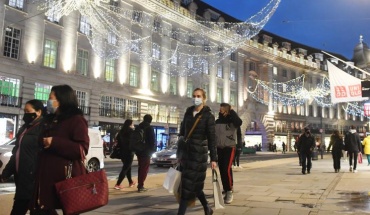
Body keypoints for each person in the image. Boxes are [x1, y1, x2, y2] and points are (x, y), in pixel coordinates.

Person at [30, 84, 89, 214]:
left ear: (62, 100)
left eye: (51, 98)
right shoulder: (50, 119)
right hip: (45, 175)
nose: (48, 101)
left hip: (66, 177)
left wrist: (55, 142)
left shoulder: (77, 120)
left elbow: (82, 149)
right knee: (43, 208)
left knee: (70, 208)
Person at [177, 88, 217, 215]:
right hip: (186, 153)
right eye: (194, 95)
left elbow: (212, 138)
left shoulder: (208, 116)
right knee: (193, 184)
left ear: (204, 98)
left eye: (198, 96)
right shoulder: (188, 112)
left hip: (199, 154)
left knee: (187, 186)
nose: (196, 98)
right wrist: (179, 153)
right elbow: (182, 134)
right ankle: (207, 207)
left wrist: (214, 158)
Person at [1, 99, 45, 215]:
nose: (26, 114)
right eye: (24, 111)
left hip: (32, 179)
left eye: (28, 111)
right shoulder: (24, 128)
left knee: (20, 209)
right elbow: (17, 152)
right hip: (21, 177)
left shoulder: (43, 128)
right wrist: (6, 173)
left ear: (39, 112)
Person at [215, 103, 242, 204]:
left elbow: (239, 122)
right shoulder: (217, 122)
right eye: (220, 109)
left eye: (222, 109)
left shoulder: (233, 122)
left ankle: (229, 191)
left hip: (229, 147)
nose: (220, 110)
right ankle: (226, 188)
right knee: (222, 169)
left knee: (226, 168)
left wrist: (232, 111)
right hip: (219, 147)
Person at [114, 119, 136, 190]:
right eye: (133, 124)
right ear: (130, 124)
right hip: (129, 152)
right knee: (126, 168)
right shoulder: (132, 131)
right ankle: (118, 184)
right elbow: (134, 141)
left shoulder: (121, 131)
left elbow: (117, 140)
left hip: (122, 152)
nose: (133, 125)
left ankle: (131, 182)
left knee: (127, 167)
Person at [136, 114, 156, 192]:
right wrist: (152, 150)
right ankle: (141, 185)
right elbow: (152, 141)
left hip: (139, 150)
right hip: (146, 151)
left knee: (140, 167)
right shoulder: (149, 128)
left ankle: (140, 184)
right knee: (144, 169)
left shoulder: (139, 127)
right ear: (150, 120)